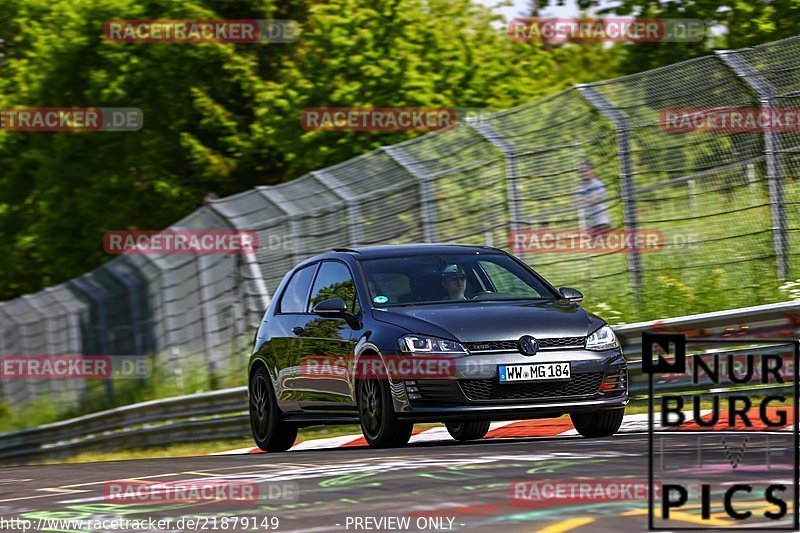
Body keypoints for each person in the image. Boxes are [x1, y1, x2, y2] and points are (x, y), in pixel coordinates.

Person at [575, 161, 611, 235]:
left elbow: (593, 200)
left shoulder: (597, 184)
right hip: (590, 225)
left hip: (602, 223)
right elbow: (576, 203)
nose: (584, 173)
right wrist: (586, 199)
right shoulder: (580, 187)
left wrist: (582, 199)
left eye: (586, 171)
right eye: (581, 172)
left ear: (591, 171)